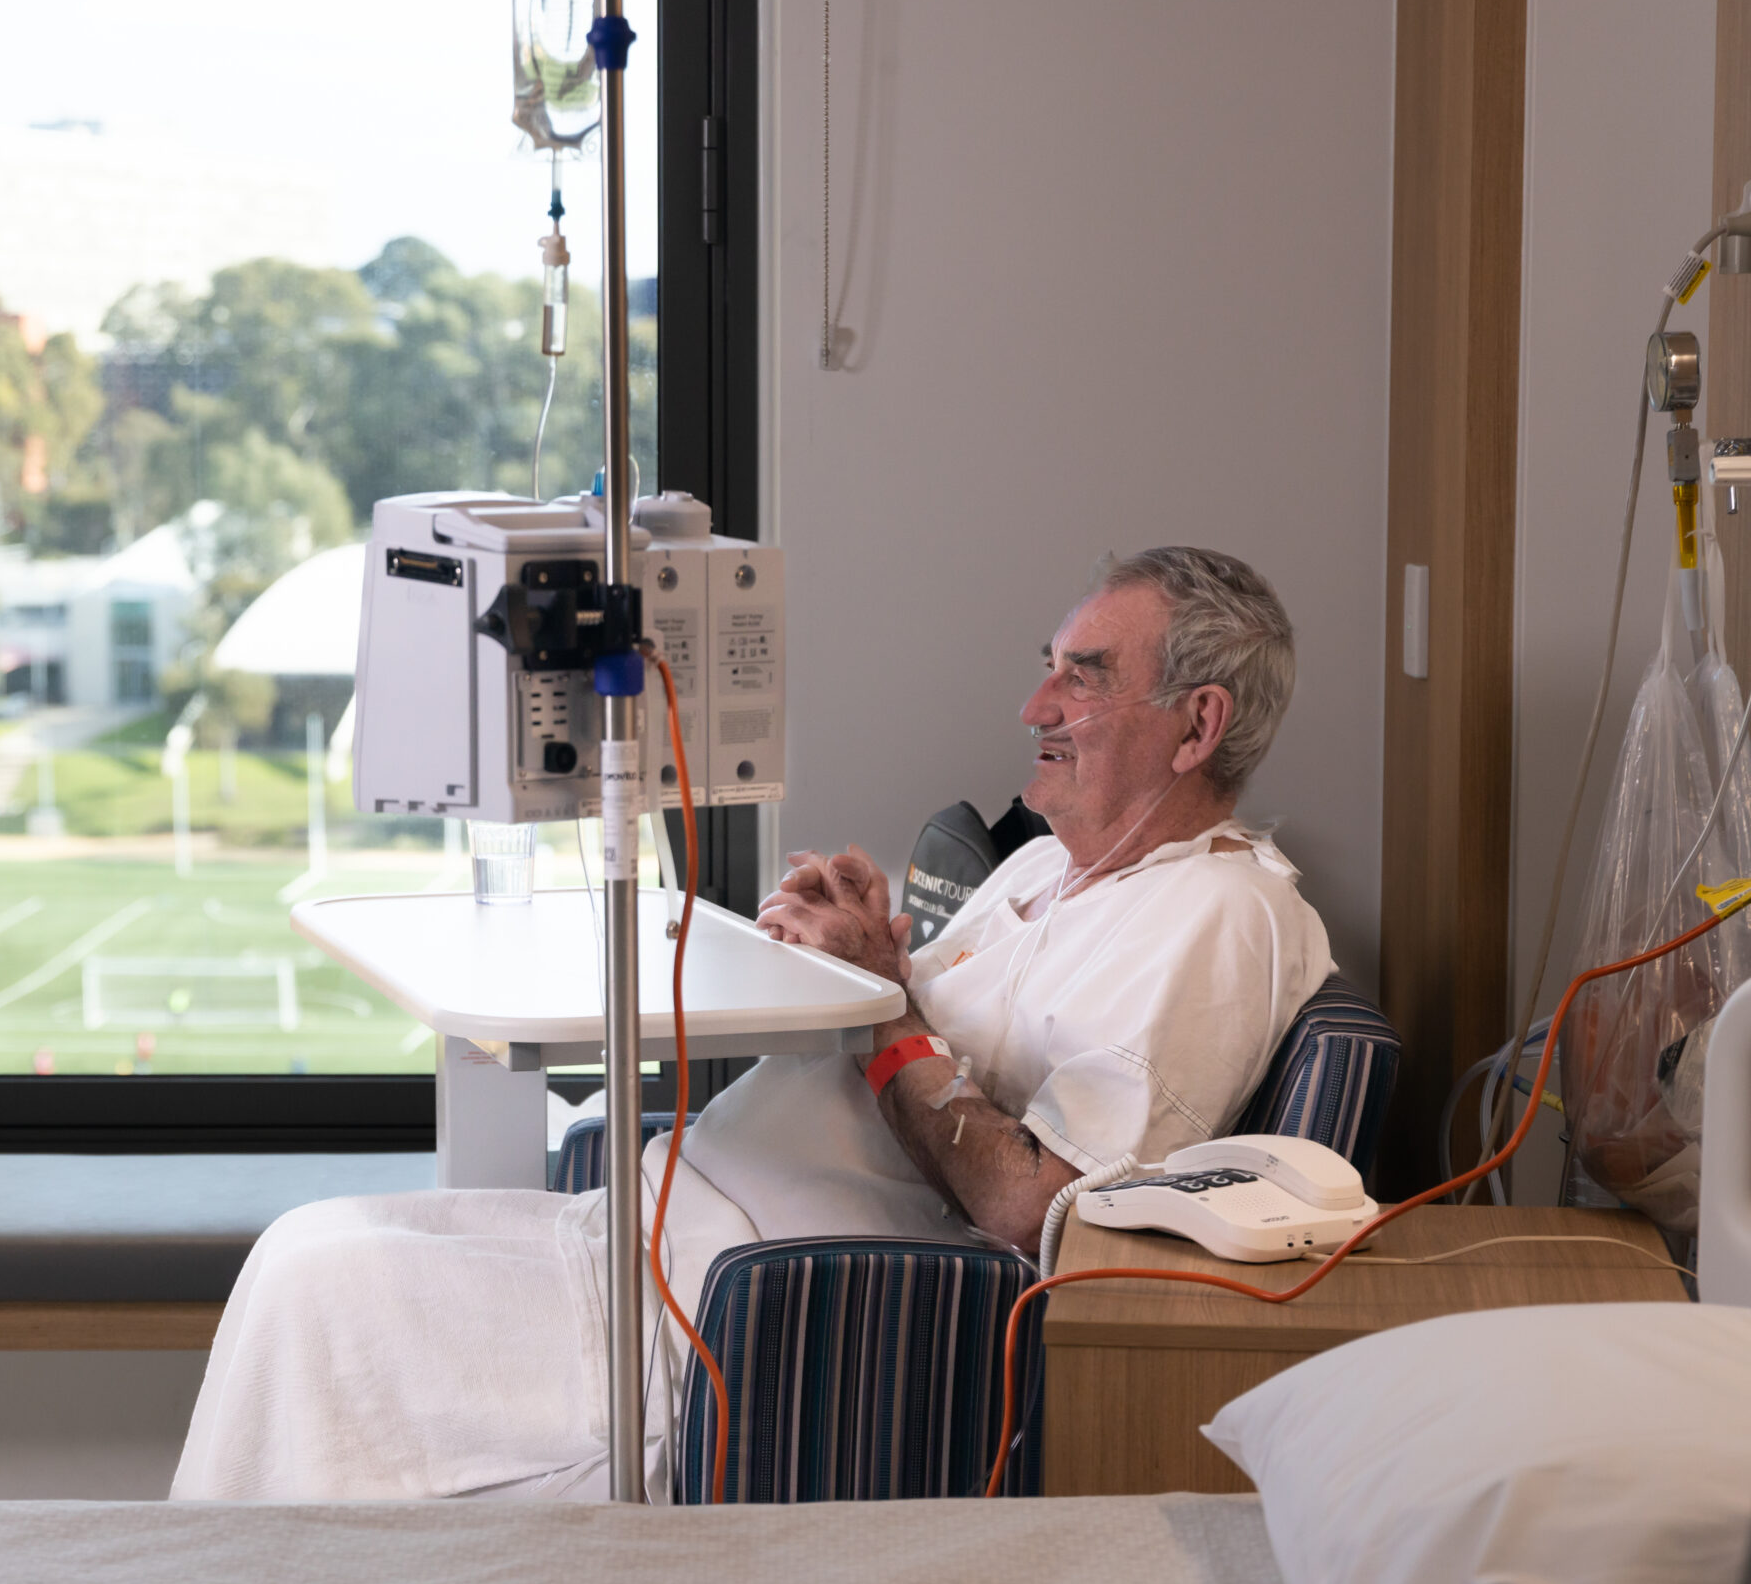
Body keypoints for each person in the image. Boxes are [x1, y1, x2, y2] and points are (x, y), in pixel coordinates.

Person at [172, 547, 1333, 1501]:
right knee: (306, 1247)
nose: (1034, 706)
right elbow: (920, 1029)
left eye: (1082, 678)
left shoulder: (1221, 915)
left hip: (740, 1317)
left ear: (1195, 726)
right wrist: (864, 951)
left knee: (328, 1297)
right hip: (644, 1229)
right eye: (1048, 670)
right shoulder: (1041, 873)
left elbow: (1042, 1206)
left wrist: (884, 1012)